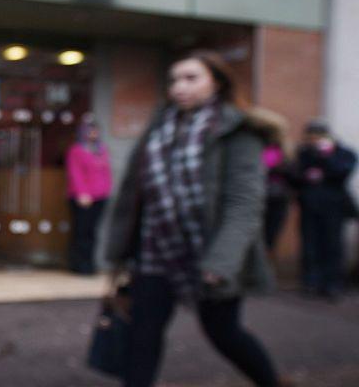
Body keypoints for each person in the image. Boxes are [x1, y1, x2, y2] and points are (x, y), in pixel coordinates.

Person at [104, 50, 286, 387]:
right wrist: (121, 248)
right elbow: (135, 192)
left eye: (191, 78)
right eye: (174, 80)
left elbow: (243, 204)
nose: (179, 87)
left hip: (210, 251)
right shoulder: (160, 128)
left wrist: (222, 260)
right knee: (141, 336)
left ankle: (271, 382)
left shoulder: (238, 132)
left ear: (216, 83)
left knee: (224, 334)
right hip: (156, 249)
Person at [292, 119, 357, 300]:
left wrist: (326, 156)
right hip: (309, 206)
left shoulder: (343, 153)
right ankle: (311, 282)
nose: (313, 141)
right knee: (310, 245)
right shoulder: (305, 153)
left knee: (332, 245)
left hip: (334, 207)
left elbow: (342, 172)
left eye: (317, 137)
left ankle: (332, 283)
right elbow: (295, 176)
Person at [65, 118, 112, 274]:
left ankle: (90, 263)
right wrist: (82, 193)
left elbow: (106, 172)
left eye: (95, 130)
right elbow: (75, 174)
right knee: (81, 232)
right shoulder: (76, 150)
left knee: (92, 232)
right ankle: (79, 264)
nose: (93, 133)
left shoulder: (101, 150)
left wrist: (106, 190)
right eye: (90, 130)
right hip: (83, 197)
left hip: (100, 196)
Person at [250, 108, 294, 252]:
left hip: (276, 198)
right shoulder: (253, 147)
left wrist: (277, 169)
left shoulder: (283, 149)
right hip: (256, 197)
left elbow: (293, 174)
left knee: (268, 239)